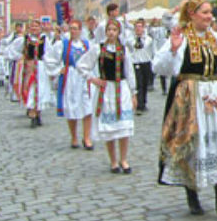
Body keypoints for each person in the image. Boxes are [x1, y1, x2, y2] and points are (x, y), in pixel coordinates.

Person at [153, 0, 217, 217]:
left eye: (211, 12)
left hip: (214, 96)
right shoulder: (181, 38)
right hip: (190, 97)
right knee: (193, 143)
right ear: (192, 15)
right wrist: (173, 50)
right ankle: (192, 195)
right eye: (205, 12)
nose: (210, 16)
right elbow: (159, 66)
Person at [75, 19, 137, 173]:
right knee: (109, 129)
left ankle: (124, 159)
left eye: (114, 30)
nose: (111, 32)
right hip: (106, 89)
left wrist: (133, 92)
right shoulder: (98, 49)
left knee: (124, 127)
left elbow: (129, 72)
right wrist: (93, 79)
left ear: (118, 32)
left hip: (121, 89)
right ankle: (113, 161)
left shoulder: (124, 50)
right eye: (109, 29)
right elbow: (81, 65)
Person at [44, 19, 94, 149]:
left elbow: (94, 60)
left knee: (88, 107)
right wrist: (58, 69)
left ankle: (87, 137)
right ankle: (74, 137)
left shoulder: (87, 45)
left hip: (84, 78)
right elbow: (49, 58)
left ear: (80, 30)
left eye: (75, 28)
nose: (73, 31)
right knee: (72, 108)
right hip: (71, 78)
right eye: (71, 28)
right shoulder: (63, 44)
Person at [6, 19, 52, 127]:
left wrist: (48, 65)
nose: (34, 29)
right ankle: (32, 113)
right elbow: (11, 50)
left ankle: (38, 113)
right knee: (30, 88)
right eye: (32, 27)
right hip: (29, 67)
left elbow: (50, 54)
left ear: (40, 28)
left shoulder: (45, 40)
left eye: (36, 27)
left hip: (41, 67)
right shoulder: (24, 39)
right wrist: (21, 57)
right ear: (29, 28)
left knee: (40, 89)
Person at [125, 19, 154, 114]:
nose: (138, 29)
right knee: (139, 84)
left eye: (140, 27)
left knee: (145, 83)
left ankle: (144, 102)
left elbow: (145, 46)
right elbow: (133, 46)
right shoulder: (130, 40)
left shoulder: (148, 39)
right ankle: (139, 104)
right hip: (136, 62)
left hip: (146, 62)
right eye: (136, 27)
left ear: (143, 28)